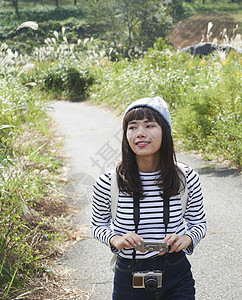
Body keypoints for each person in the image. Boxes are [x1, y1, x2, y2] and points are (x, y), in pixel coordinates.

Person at [91, 96, 207, 300]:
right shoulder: (109, 181)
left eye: (149, 125)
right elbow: (97, 225)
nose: (140, 134)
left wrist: (186, 238)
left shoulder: (186, 177)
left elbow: (198, 222)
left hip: (176, 272)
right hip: (128, 273)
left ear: (165, 131)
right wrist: (115, 239)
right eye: (132, 127)